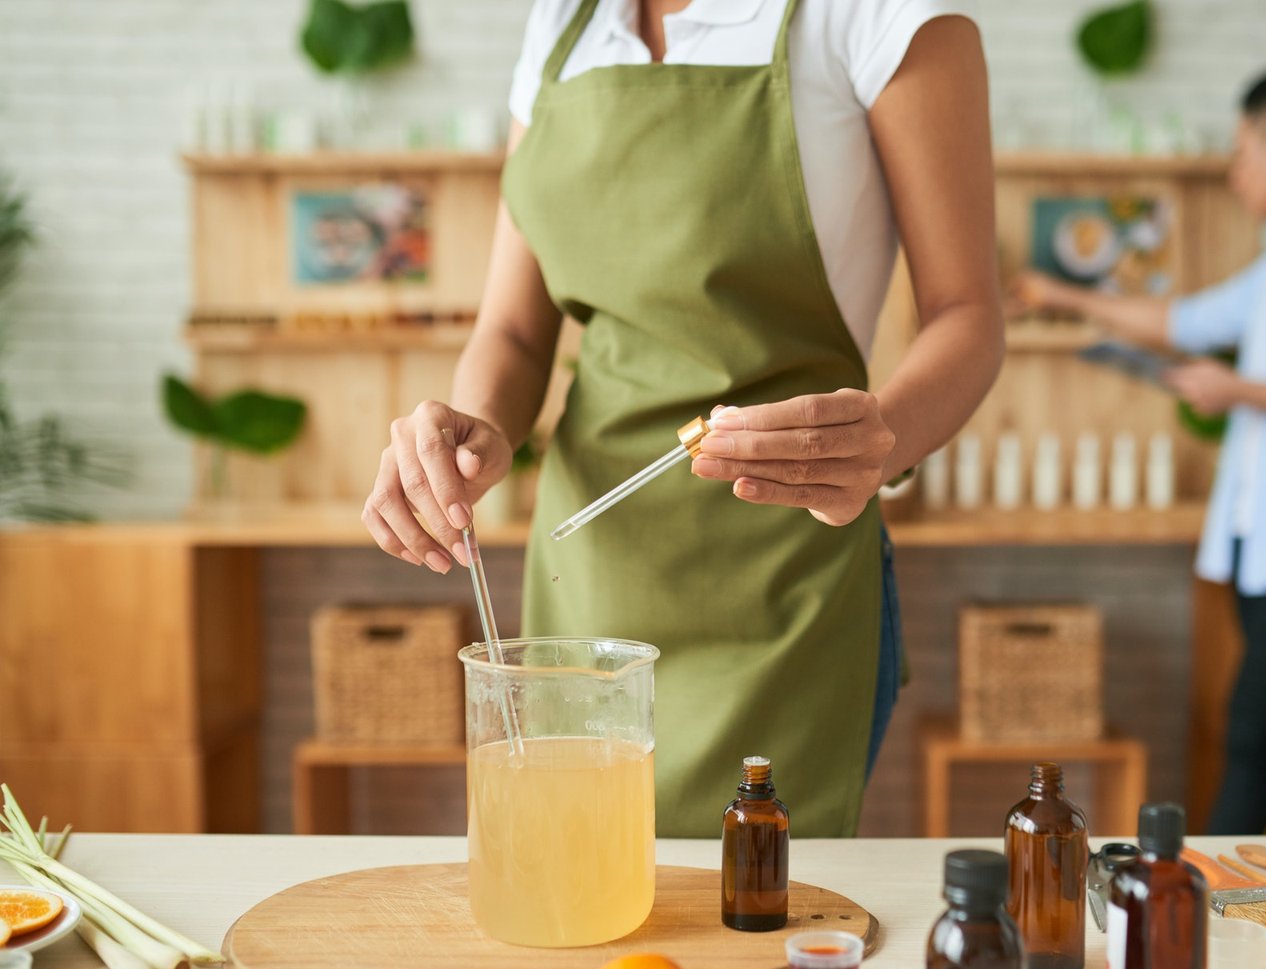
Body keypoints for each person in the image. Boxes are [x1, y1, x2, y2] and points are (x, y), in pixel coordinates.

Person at [361, 0, 1003, 837]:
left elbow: (967, 315)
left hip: (783, 582)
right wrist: (473, 426)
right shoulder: (563, 23)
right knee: (578, 890)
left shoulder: (876, 14)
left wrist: (880, 441)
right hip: (588, 574)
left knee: (756, 909)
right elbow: (514, 331)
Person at [1012, 66, 1266, 834]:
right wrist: (1061, 296)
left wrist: (1240, 391)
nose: (1234, 170)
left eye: (1242, 151)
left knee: (1252, 731)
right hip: (1264, 539)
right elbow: (1186, 320)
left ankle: (1199, 914)